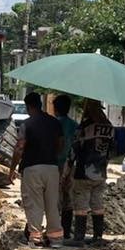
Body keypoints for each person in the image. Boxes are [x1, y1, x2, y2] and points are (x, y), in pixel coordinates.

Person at [9, 92, 64, 247]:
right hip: (52, 168)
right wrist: (52, 156)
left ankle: (36, 238)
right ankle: (56, 239)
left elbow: (19, 148)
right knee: (52, 204)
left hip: (32, 169)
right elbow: (61, 144)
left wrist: (12, 169)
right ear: (40, 104)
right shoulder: (55, 123)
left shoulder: (27, 124)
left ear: (28, 106)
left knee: (34, 204)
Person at [67, 99, 114, 247]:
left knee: (81, 204)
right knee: (97, 203)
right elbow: (112, 150)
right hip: (100, 172)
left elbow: (74, 149)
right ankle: (98, 236)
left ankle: (79, 237)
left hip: (84, 172)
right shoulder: (109, 127)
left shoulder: (85, 126)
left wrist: (67, 170)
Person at [53, 94, 78, 240]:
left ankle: (56, 232)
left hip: (57, 165)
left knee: (56, 200)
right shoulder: (75, 126)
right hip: (72, 165)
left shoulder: (53, 125)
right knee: (68, 199)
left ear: (55, 108)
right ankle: (66, 231)